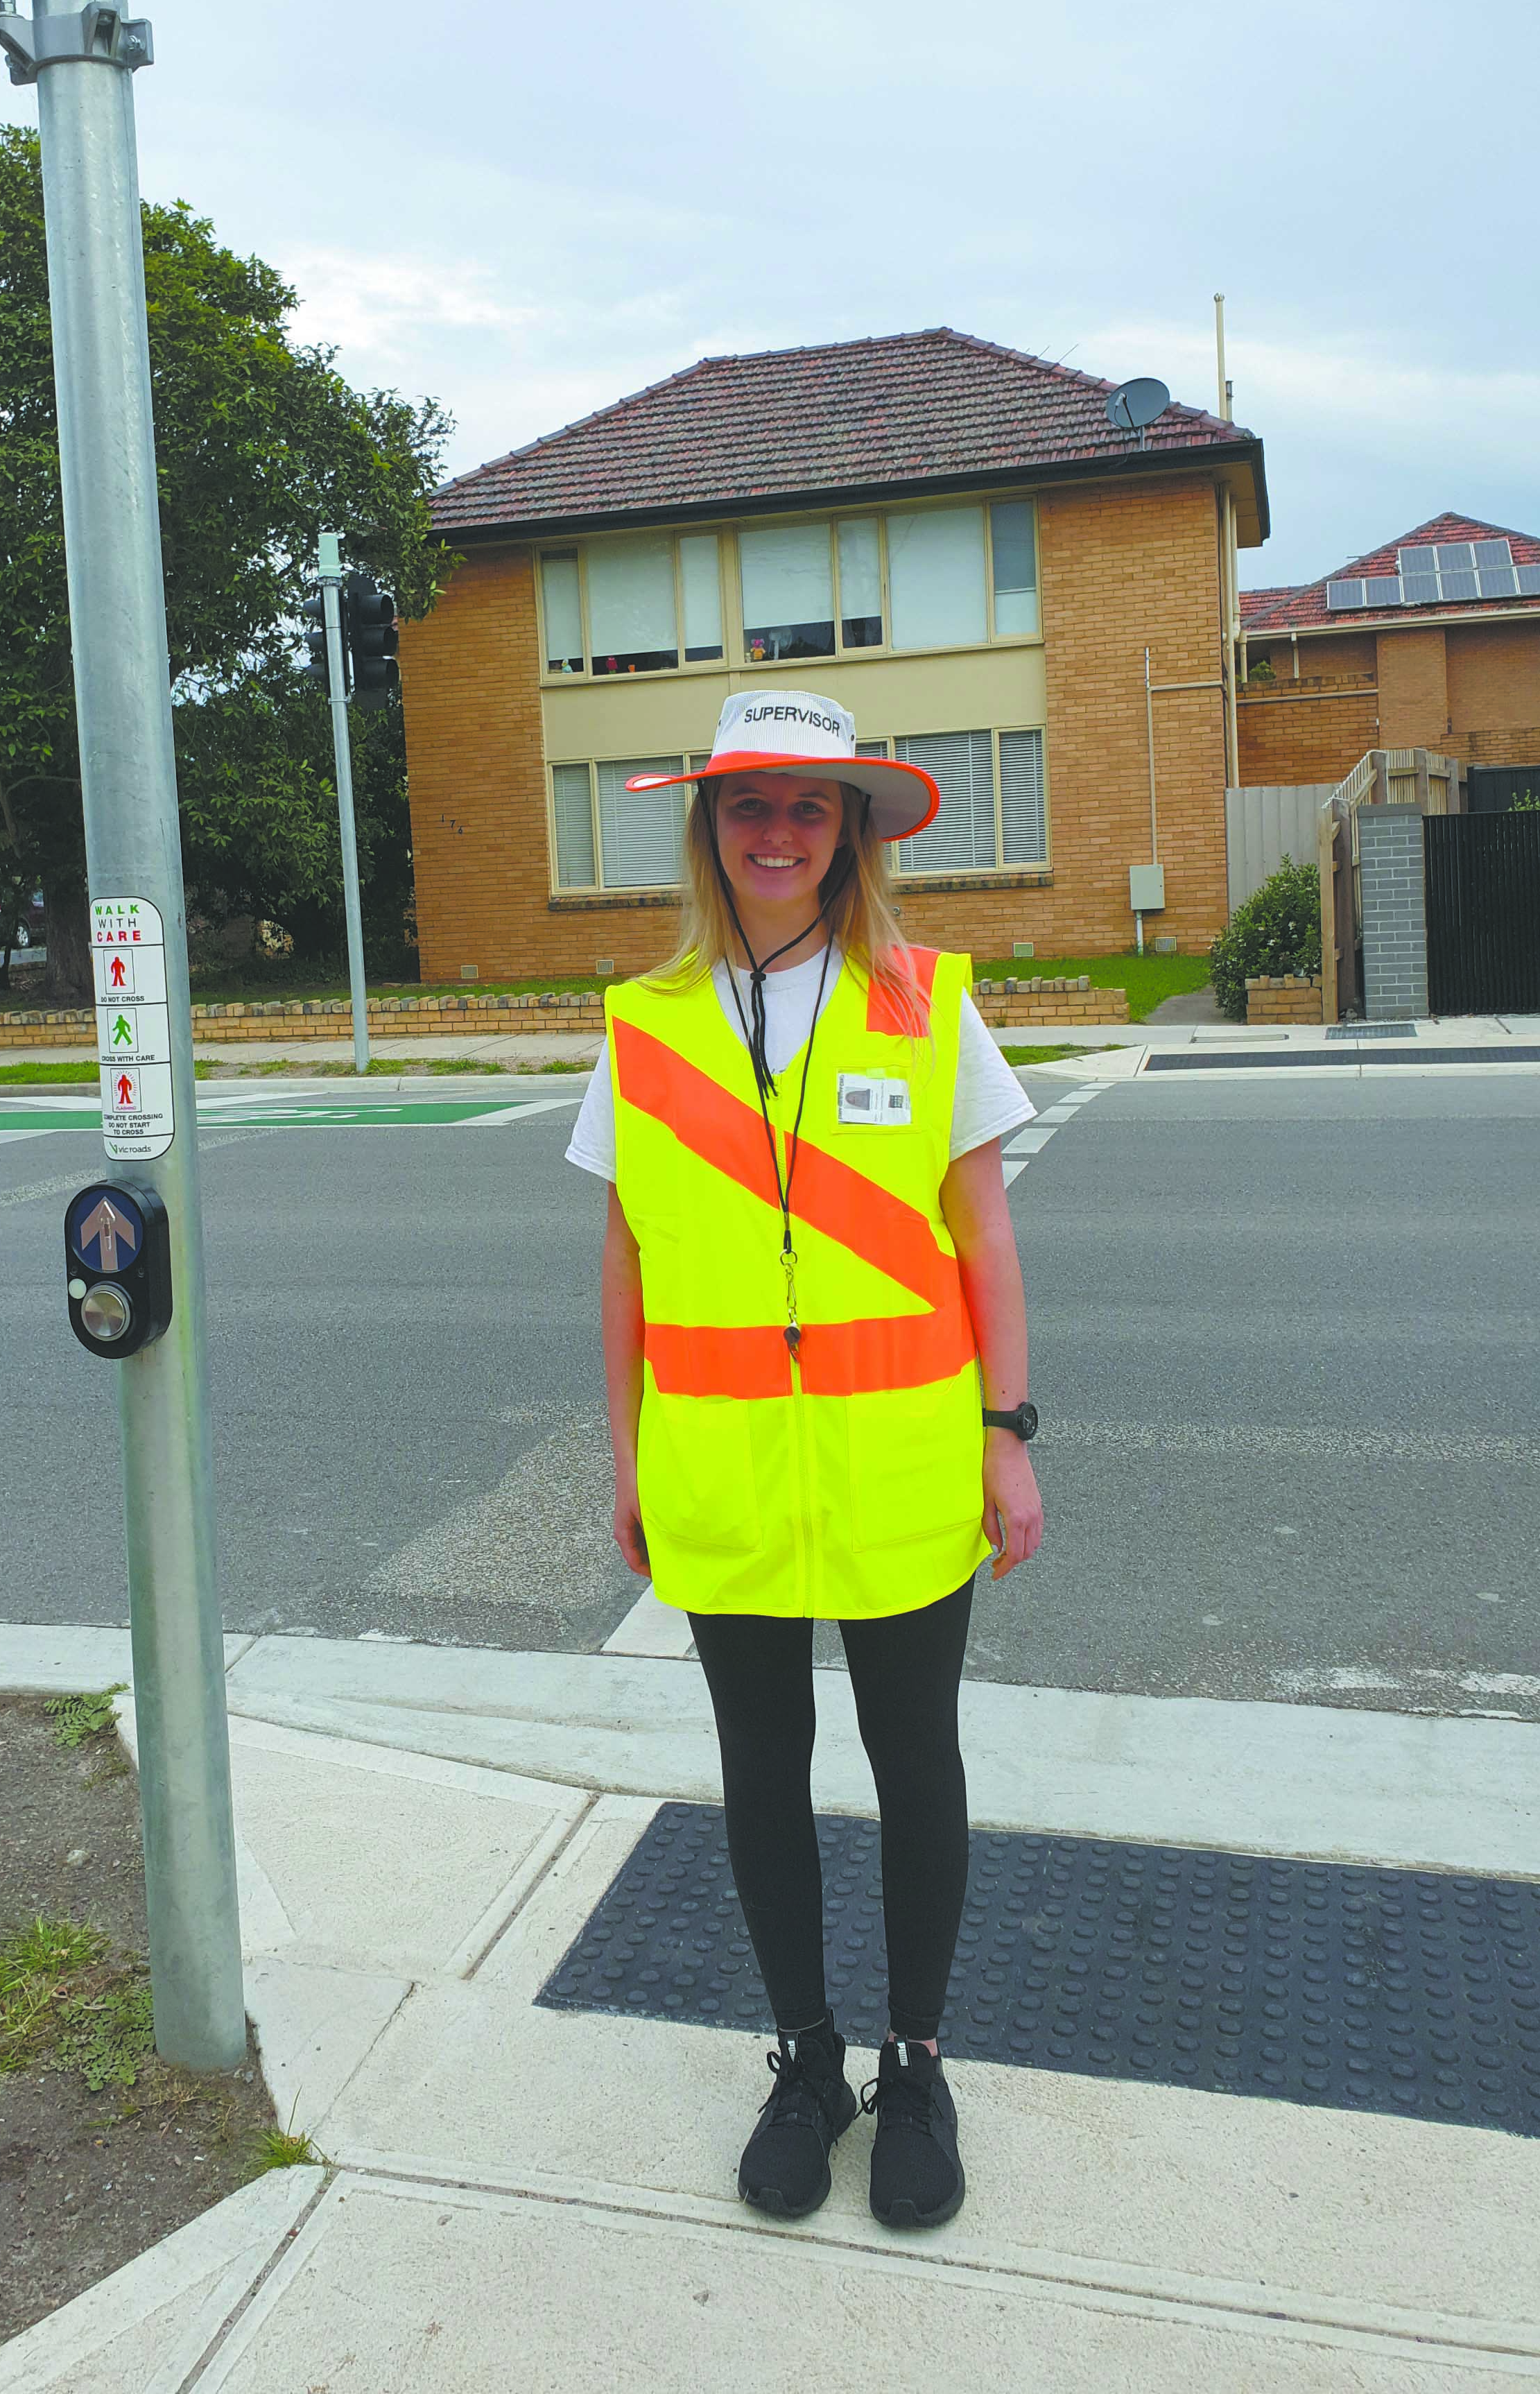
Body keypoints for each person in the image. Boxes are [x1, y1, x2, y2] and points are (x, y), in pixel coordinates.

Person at [566, 685, 1043, 2232]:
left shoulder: (925, 999)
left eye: (809, 807)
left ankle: (915, 2063)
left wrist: (1008, 1437)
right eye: (750, 805)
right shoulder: (645, 1023)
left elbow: (986, 1236)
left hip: (907, 1467)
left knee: (918, 1768)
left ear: (852, 833)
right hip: (722, 1476)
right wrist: (630, 1457)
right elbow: (629, 1256)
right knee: (760, 1774)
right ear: (711, 827)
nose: (779, 832)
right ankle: (804, 2058)